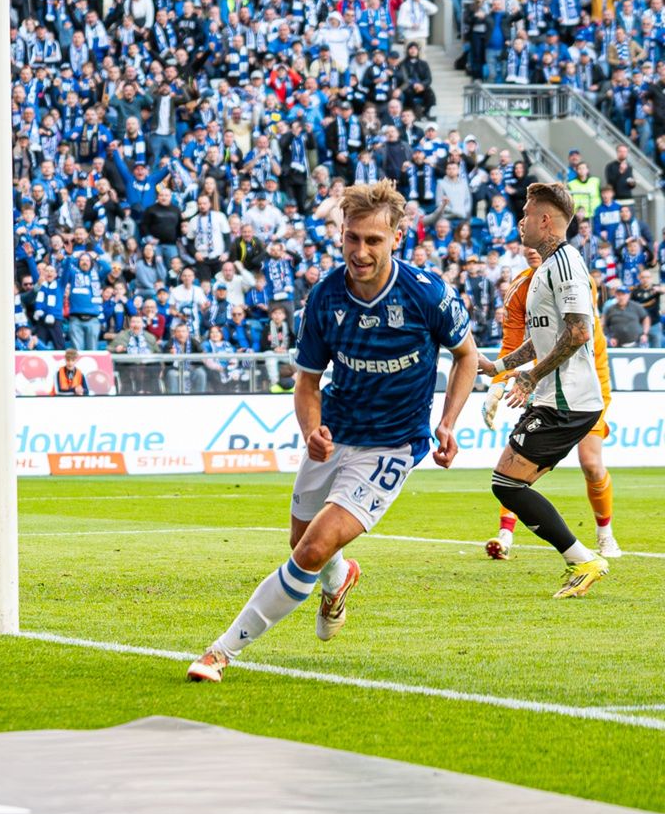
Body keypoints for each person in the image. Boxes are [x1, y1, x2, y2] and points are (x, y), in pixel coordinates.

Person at [188, 182, 477, 683]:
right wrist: (310, 430)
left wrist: (448, 421)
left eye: (373, 240)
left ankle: (220, 652)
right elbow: (307, 382)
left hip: (392, 444)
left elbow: (467, 355)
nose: (360, 252)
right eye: (352, 239)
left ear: (397, 238)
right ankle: (340, 580)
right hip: (334, 435)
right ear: (340, 236)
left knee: (312, 548)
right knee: (304, 547)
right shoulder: (324, 298)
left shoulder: (427, 294)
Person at [475, 183, 612, 599]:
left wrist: (531, 378)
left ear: (546, 221)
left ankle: (586, 559)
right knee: (509, 483)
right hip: (555, 398)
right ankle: (583, 558)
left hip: (567, 400)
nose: (521, 220)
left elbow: (577, 332)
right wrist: (498, 366)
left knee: (507, 484)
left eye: (527, 213)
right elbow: (545, 336)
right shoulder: (546, 269)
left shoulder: (567, 263)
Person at [481, 244, 621, 560]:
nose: (531, 249)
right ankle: (506, 533)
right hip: (546, 381)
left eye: (535, 242)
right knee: (511, 470)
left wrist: (530, 376)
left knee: (591, 463)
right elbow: (515, 340)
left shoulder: (572, 273)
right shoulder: (519, 288)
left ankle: (604, 535)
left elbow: (578, 333)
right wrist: (498, 380)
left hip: (585, 380)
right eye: (523, 243)